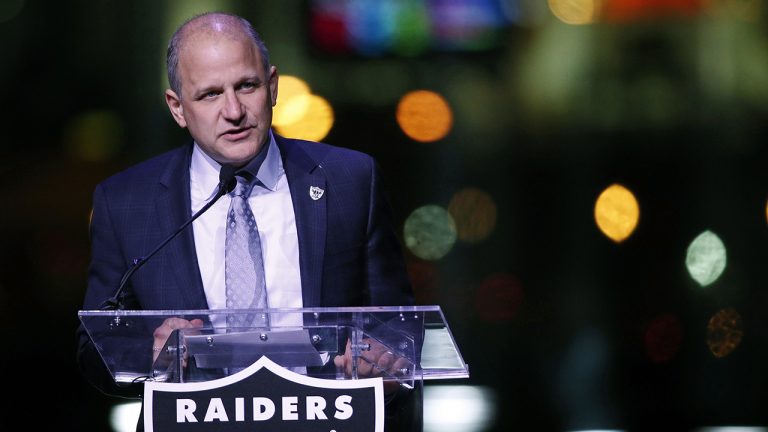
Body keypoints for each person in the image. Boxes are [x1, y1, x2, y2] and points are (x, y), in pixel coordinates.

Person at [76, 11, 416, 430]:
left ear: (272, 86)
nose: (233, 110)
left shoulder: (349, 180)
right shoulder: (126, 201)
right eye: (210, 95)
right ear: (177, 107)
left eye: (247, 86)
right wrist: (148, 352)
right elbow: (96, 346)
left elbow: (399, 323)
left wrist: (382, 360)